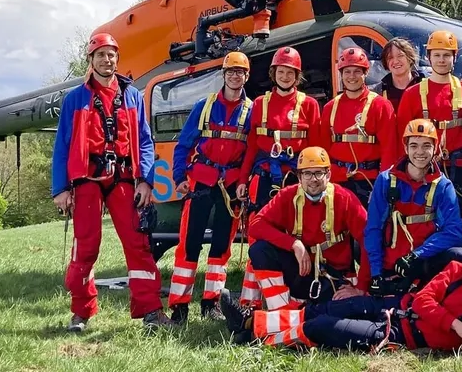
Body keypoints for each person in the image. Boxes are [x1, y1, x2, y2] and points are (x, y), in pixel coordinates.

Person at [219, 234, 462, 353]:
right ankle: (251, 325)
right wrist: (459, 327)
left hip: (398, 333)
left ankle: (260, 336)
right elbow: (424, 300)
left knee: (320, 326)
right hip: (391, 306)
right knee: (324, 308)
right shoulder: (455, 272)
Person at [50, 29, 171, 332]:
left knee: (138, 243)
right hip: (87, 179)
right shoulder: (75, 99)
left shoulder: (131, 95)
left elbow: (145, 140)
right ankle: (81, 311)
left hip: (124, 178)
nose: (107, 59)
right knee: (86, 246)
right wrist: (60, 188)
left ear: (117, 59)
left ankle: (151, 311)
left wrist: (145, 180)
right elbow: (62, 145)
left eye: (111, 54)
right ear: (91, 60)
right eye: (101, 55)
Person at [166, 51, 254, 324]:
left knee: (220, 247)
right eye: (231, 72)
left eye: (240, 72)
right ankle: (180, 307)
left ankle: (211, 304)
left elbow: (252, 151)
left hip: (230, 188)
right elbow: (184, 144)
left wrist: (242, 182)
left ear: (246, 76)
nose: (235, 76)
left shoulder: (251, 111)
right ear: (223, 75)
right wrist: (179, 176)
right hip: (201, 182)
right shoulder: (204, 107)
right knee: (189, 244)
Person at [236, 45, 322, 308]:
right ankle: (250, 302)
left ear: (298, 76)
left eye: (291, 72)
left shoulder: (309, 105)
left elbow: (317, 147)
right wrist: (242, 180)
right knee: (258, 234)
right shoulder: (260, 103)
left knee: (296, 233)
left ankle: (294, 296)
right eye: (281, 71)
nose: (286, 76)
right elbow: (251, 146)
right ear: (274, 73)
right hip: (263, 180)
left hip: (296, 180)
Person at [244, 146, 368, 313]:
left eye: (319, 173)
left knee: (333, 313)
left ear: (329, 175)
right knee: (260, 250)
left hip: (333, 278)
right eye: (307, 174)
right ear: (299, 177)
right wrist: (294, 243)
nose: (313, 179)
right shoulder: (288, 195)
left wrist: (360, 287)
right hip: (302, 270)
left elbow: (370, 241)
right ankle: (280, 312)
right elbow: (256, 226)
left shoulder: (344, 199)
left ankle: (286, 318)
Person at [363, 118, 462, 297]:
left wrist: (416, 255)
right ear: (405, 148)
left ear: (435, 148)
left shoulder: (442, 186)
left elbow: (454, 232)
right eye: (414, 145)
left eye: (426, 145)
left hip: (423, 262)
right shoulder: (386, 181)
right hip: (393, 265)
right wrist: (376, 274)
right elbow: (374, 228)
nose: (420, 152)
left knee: (458, 254)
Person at [395, 31, 462, 204]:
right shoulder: (412, 94)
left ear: (454, 57)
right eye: (436, 55)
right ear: (429, 57)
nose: (441, 60)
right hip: (422, 167)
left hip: (457, 168)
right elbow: (401, 136)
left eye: (446, 55)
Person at [315, 46, 397, 208]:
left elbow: (390, 149)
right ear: (341, 74)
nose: (351, 76)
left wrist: (383, 185)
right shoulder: (331, 107)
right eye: (347, 72)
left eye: (357, 71)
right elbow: (322, 148)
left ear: (366, 73)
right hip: (336, 181)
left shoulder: (380, 105)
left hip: (369, 182)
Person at [377, 37, 423, 110]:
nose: (395, 61)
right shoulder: (378, 91)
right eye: (390, 57)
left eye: (400, 56)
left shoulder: (425, 86)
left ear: (410, 58)